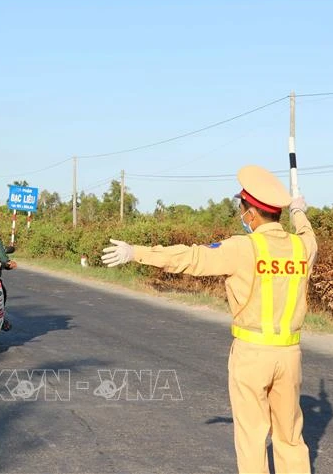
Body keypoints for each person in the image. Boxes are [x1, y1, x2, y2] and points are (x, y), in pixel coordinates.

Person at [101, 165, 317, 474]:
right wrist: (298, 211)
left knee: (252, 438)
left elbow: (191, 257)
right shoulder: (302, 247)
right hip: (290, 356)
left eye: (241, 209)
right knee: (291, 439)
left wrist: (136, 252)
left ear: (252, 214)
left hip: (252, 355)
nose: (240, 215)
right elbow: (308, 232)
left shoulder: (244, 247)